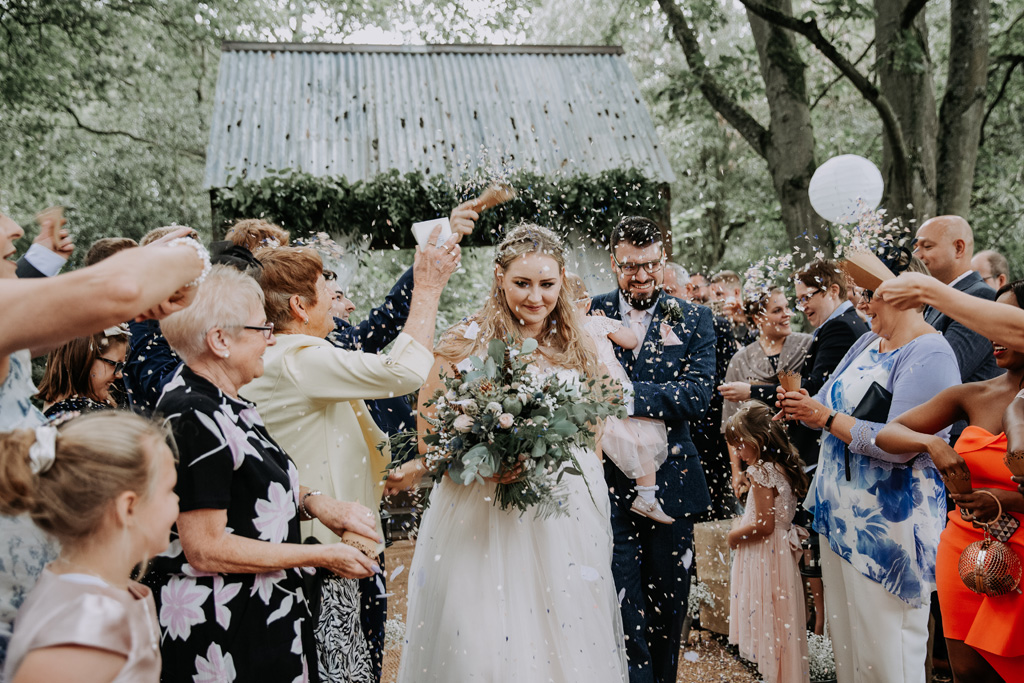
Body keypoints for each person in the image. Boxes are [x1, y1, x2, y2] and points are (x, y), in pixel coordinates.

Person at [391, 223, 628, 683]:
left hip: (561, 518)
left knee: (564, 643)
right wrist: (483, 464)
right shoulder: (463, 342)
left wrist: (590, 507)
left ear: (562, 280)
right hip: (480, 514)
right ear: (499, 276)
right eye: (522, 283)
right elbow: (429, 439)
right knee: (478, 646)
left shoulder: (578, 347)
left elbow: (593, 435)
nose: (536, 297)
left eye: (547, 284)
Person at [244, 225, 460, 683]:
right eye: (326, 288)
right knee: (342, 671)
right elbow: (404, 372)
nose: (334, 298)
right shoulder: (298, 358)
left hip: (336, 538)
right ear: (300, 306)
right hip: (321, 549)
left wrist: (393, 466)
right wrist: (427, 288)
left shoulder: (293, 355)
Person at [144, 265, 380, 683]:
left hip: (262, 610)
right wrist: (321, 555)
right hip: (222, 626)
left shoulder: (225, 401)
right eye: (261, 328)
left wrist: (316, 503)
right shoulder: (190, 414)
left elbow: (247, 486)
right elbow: (205, 548)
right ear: (220, 340)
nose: (271, 339)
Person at [0, 221, 207, 671]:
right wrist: (188, 257)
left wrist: (141, 288)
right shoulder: (86, 626)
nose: (14, 226)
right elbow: (118, 289)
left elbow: (64, 318)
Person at [777, 251, 961, 683]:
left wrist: (825, 418)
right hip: (840, 516)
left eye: (870, 294)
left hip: (889, 527)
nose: (861, 303)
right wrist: (805, 408)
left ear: (904, 295)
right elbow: (826, 401)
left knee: (887, 658)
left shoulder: (931, 351)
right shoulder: (865, 343)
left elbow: (899, 444)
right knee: (850, 654)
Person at [876, 279, 1024, 682]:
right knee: (968, 673)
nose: (993, 333)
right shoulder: (974, 395)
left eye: (1005, 320)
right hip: (966, 548)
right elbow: (889, 433)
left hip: (1021, 546)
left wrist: (1007, 501)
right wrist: (932, 443)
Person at [590, 216, 716, 683]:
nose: (641, 276)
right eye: (629, 266)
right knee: (620, 606)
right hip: (607, 485)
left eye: (650, 265)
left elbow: (698, 395)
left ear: (663, 260)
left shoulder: (692, 317)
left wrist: (624, 397)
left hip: (671, 486)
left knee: (667, 609)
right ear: (613, 262)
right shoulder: (591, 311)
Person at [0, 412, 176, 683]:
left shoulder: (92, 593)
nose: (177, 500)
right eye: (169, 490)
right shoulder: (91, 626)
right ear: (128, 507)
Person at [567, 273, 671, 523]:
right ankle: (646, 496)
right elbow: (632, 340)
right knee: (640, 438)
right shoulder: (594, 323)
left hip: (593, 394)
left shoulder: (566, 332)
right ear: (587, 303)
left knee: (601, 442)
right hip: (610, 389)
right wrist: (611, 326)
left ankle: (601, 493)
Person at [725, 401, 810, 683]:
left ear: (758, 440)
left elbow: (764, 525)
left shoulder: (761, 472)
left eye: (740, 445)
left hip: (766, 555)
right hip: (779, 555)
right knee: (781, 622)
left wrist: (734, 535)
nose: (738, 453)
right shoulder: (782, 467)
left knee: (769, 620)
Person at [913, 215, 1001, 384]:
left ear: (959, 248)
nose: (916, 256)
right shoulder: (935, 297)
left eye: (927, 246)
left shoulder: (981, 297)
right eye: (915, 247)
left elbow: (943, 371)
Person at [36, 326, 130, 418]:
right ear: (82, 360)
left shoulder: (109, 395)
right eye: (115, 364)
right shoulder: (74, 416)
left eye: (122, 365)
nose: (119, 374)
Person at [710, 269, 757, 346]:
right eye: (712, 296)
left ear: (736, 292)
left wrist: (745, 320)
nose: (714, 300)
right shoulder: (713, 321)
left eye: (719, 294)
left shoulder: (755, 316)